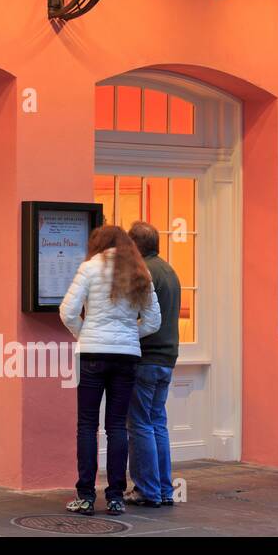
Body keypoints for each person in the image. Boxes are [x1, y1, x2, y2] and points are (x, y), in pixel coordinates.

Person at [59, 224, 161, 516]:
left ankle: (86, 496)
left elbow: (67, 311)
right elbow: (153, 322)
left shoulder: (90, 268)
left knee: (87, 426)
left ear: (98, 243)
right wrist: (129, 336)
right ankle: (116, 496)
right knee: (117, 426)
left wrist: (85, 334)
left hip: (92, 355)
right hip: (126, 357)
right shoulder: (141, 271)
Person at [124, 221, 182, 508]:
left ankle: (146, 489)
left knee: (140, 424)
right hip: (167, 358)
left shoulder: (143, 272)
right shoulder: (169, 270)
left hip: (146, 357)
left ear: (135, 246)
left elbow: (136, 316)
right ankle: (163, 489)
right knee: (158, 422)